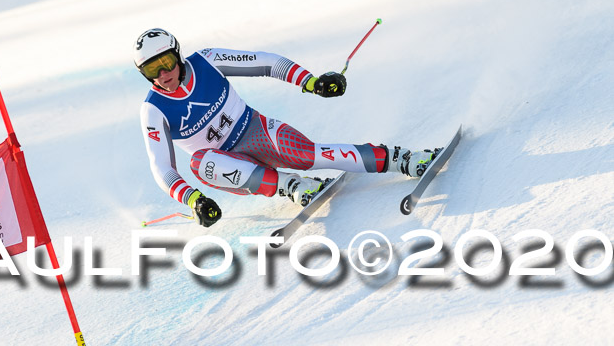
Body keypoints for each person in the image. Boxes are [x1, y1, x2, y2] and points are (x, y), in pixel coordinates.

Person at [135, 28, 440, 227]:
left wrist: (312, 82)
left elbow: (265, 62)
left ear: (177, 54)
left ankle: (402, 158)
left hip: (254, 129)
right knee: (201, 162)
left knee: (308, 156)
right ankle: (292, 187)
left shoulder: (207, 61)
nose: (162, 74)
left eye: (166, 62)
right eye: (152, 69)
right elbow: (162, 167)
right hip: (224, 164)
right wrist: (194, 199)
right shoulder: (153, 110)